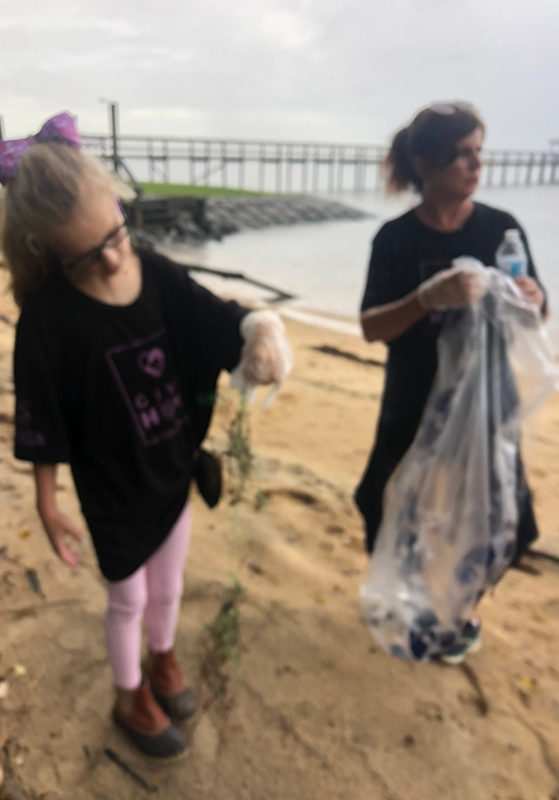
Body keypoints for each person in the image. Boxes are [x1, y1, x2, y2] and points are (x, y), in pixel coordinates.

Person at [0, 113, 291, 758]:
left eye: (115, 235)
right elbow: (40, 414)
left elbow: (215, 317)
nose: (110, 257)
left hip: (171, 465)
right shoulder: (47, 320)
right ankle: (129, 695)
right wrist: (47, 503)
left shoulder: (154, 273)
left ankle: (164, 660)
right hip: (111, 487)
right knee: (127, 597)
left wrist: (258, 333)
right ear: (45, 251)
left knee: (170, 585)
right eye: (84, 255)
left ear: (119, 207)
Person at [356, 102, 547, 661]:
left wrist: (532, 299)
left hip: (486, 400)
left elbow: (536, 313)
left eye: (478, 151)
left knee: (487, 509)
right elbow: (371, 328)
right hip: (413, 399)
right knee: (388, 500)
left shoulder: (501, 228)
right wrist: (427, 298)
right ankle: (404, 594)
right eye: (461, 153)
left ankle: (460, 607)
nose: (475, 164)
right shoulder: (395, 240)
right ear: (424, 162)